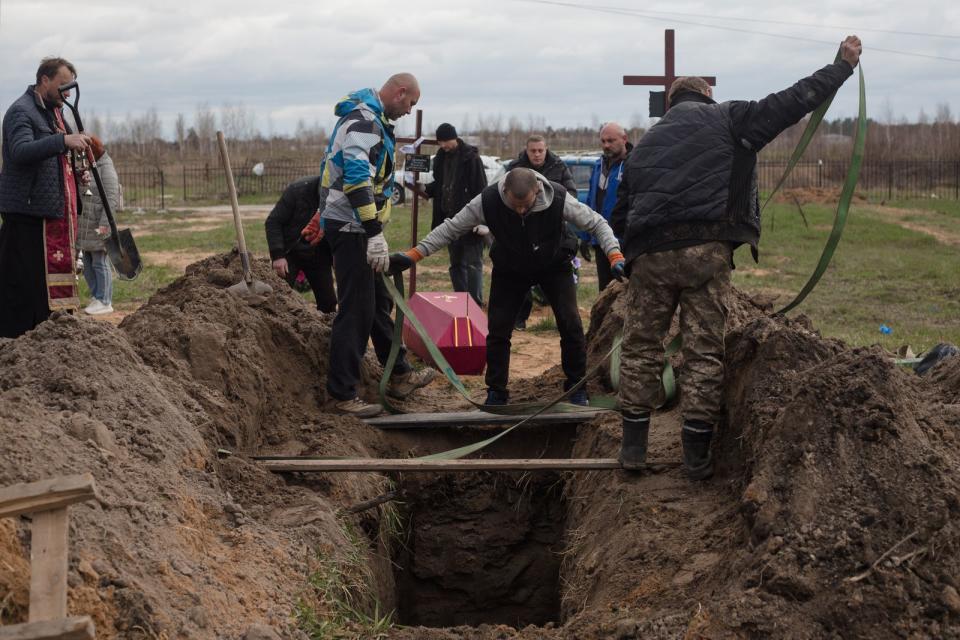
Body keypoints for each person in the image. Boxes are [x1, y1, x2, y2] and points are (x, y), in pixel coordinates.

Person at [611, 35, 863, 479]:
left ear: (670, 103)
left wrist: (630, 258)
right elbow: (792, 101)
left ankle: (633, 452)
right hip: (706, 252)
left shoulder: (645, 144)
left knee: (639, 348)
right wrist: (841, 68)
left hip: (649, 256)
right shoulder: (730, 119)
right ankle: (696, 459)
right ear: (708, 95)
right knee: (704, 351)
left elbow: (619, 213)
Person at [390, 168, 625, 407]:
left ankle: (577, 387)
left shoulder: (560, 199)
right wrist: (414, 254)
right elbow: (451, 228)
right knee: (498, 329)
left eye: (526, 205)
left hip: (554, 264)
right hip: (509, 266)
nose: (521, 210)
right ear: (505, 191)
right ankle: (497, 391)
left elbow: (597, 223)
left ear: (538, 191)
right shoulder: (487, 200)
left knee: (571, 324)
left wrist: (614, 255)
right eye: (515, 205)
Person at [301, 73, 435, 418]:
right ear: (400, 92)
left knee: (378, 303)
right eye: (411, 103)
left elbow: (333, 171)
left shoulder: (369, 118)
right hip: (353, 229)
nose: (409, 111)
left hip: (351, 223)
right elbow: (357, 178)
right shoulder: (364, 121)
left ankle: (400, 375)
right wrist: (373, 230)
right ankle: (341, 394)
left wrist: (321, 213)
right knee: (357, 309)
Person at [0, 57, 91, 339]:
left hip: (47, 212)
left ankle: (46, 338)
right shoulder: (22, 112)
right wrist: (63, 141)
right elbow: (21, 151)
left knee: (41, 287)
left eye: (70, 87)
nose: (66, 93)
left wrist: (75, 175)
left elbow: (51, 160)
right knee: (21, 287)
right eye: (63, 85)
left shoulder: (55, 113)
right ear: (44, 80)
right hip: (26, 214)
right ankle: (16, 341)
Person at [507, 135, 578, 330]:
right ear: (526, 150)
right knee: (521, 277)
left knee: (555, 278)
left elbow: (571, 193)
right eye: (533, 151)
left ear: (546, 149)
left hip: (552, 231)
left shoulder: (559, 166)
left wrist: (553, 208)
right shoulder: (515, 168)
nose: (537, 155)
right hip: (522, 229)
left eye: (540, 150)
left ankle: (561, 320)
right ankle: (519, 319)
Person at [416, 123, 488, 306]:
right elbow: (440, 185)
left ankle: (474, 304)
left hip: (471, 220)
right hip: (448, 220)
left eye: (446, 141)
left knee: (473, 264)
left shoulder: (471, 159)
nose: (444, 145)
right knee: (456, 264)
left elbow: (481, 190)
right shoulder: (440, 158)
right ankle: (460, 300)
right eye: (441, 142)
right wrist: (424, 188)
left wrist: (481, 220)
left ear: (454, 138)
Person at [265, 175, 336, 313]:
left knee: (328, 301)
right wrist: (278, 255)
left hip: (319, 254)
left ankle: (327, 331)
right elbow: (273, 222)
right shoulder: (297, 190)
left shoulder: (336, 197)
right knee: (278, 298)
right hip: (290, 252)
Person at [579, 122, 632, 292]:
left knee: (627, 289)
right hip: (601, 240)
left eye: (611, 140)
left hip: (625, 241)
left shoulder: (634, 165)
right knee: (606, 290)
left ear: (624, 139)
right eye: (603, 141)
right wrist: (585, 237)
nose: (606, 145)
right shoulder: (598, 166)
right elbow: (590, 201)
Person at [76, 135, 118, 315]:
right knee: (87, 262)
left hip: (99, 225)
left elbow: (110, 200)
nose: (83, 155)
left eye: (86, 151)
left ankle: (105, 300)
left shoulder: (106, 168)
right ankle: (96, 295)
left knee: (100, 262)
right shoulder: (91, 167)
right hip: (86, 225)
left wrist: (104, 228)